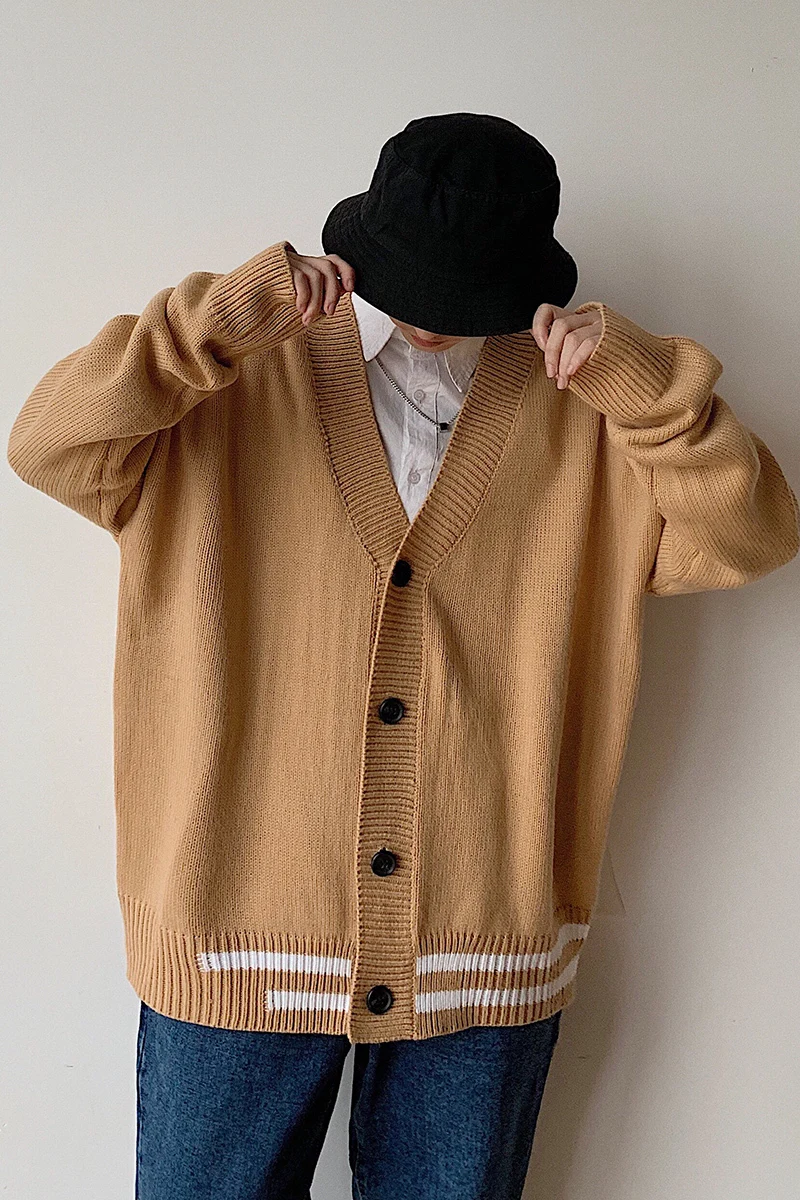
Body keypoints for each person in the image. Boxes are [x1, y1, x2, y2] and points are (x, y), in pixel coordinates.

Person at [7, 112, 799, 1199]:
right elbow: (49, 443)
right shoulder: (228, 385)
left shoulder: (586, 417)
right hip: (236, 931)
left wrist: (647, 390)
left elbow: (750, 535)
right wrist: (211, 326)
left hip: (483, 946)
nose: (430, 320)